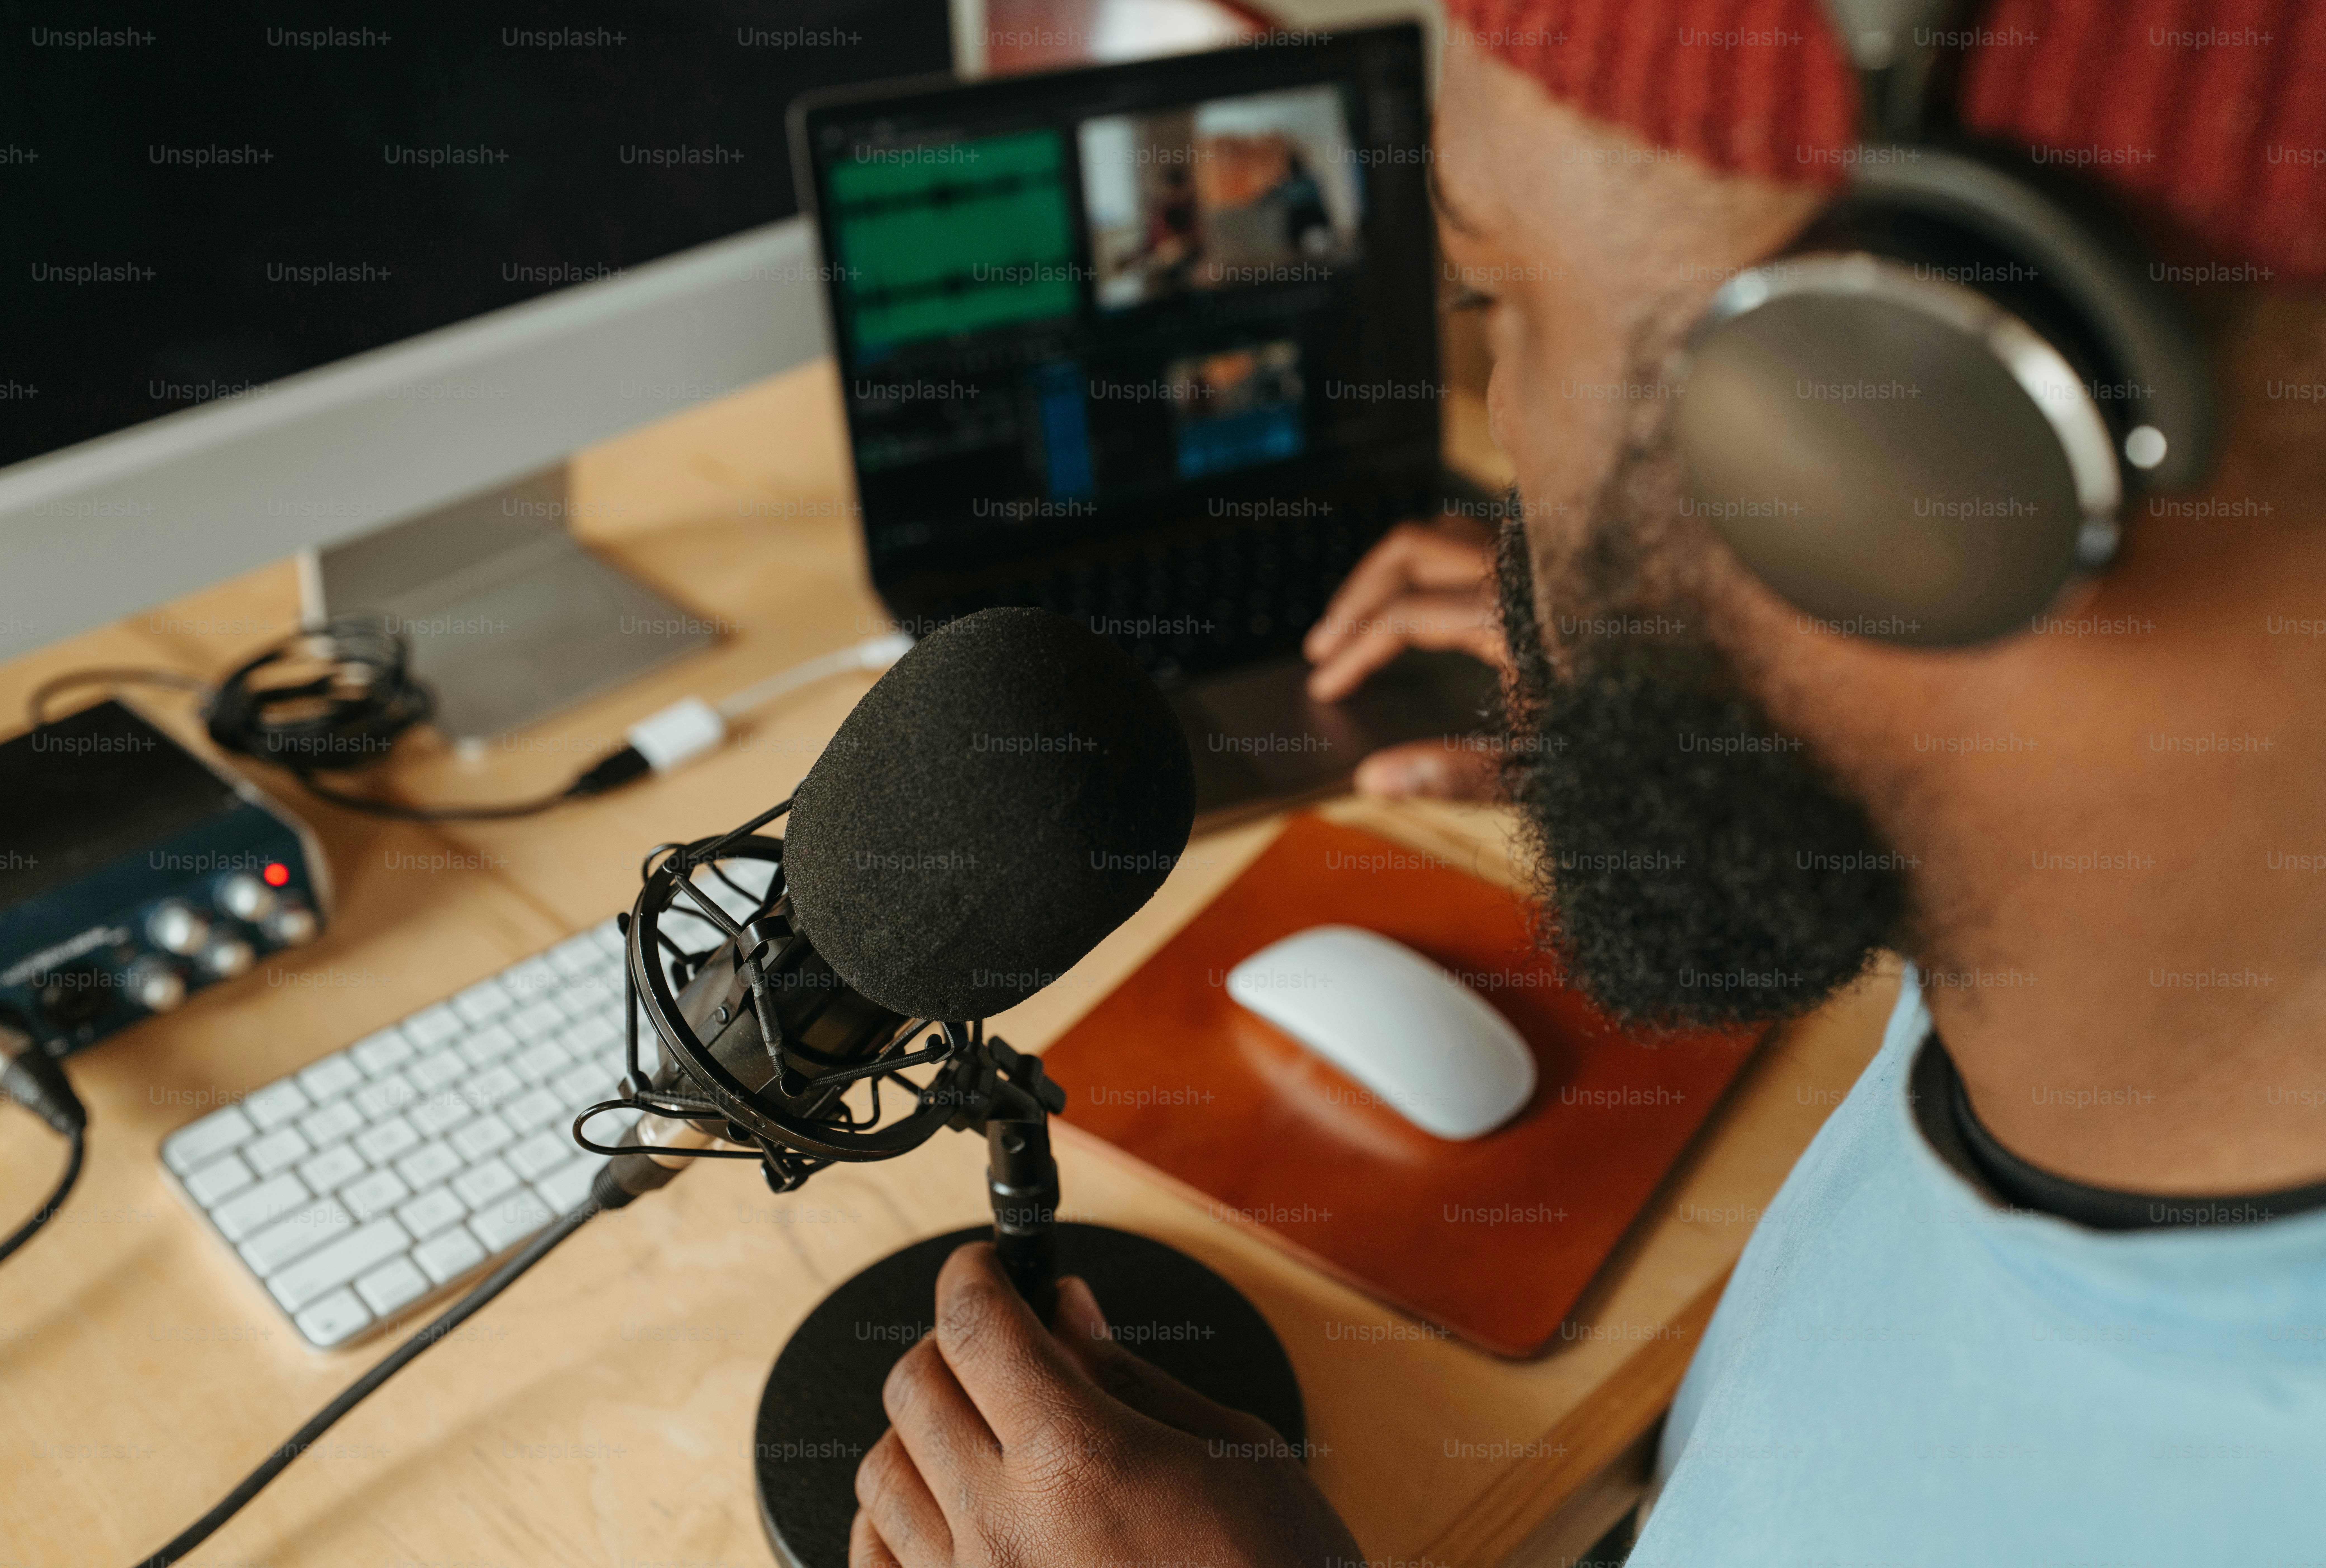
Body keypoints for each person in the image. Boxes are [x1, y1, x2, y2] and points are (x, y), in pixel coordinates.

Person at [845, 2, 2326, 1562]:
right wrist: (1731, 707)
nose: (1499, 446)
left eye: (1501, 305)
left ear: (1922, 465)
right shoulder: (2098, 1016)